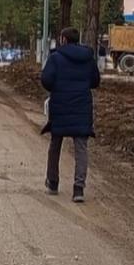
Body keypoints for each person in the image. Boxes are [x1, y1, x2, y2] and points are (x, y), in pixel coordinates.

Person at [41, 27, 101, 202]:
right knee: (81, 148)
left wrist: (57, 88)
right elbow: (95, 81)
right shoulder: (88, 59)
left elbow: (46, 80)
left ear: (64, 39)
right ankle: (78, 189)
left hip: (60, 105)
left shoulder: (55, 58)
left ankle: (52, 182)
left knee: (55, 144)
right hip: (82, 106)